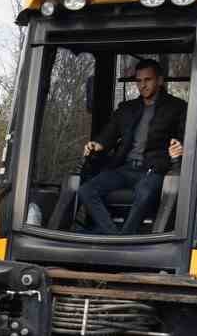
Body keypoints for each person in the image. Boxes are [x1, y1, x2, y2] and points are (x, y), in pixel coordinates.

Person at [76, 59, 187, 235]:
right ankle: (115, 237)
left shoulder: (177, 107)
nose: (142, 85)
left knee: (144, 193)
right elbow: (109, 134)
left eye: (148, 80)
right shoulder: (127, 108)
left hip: (154, 169)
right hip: (125, 168)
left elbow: (185, 137)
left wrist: (180, 146)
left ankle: (126, 236)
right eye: (139, 81)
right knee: (86, 190)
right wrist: (98, 144)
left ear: (159, 80)